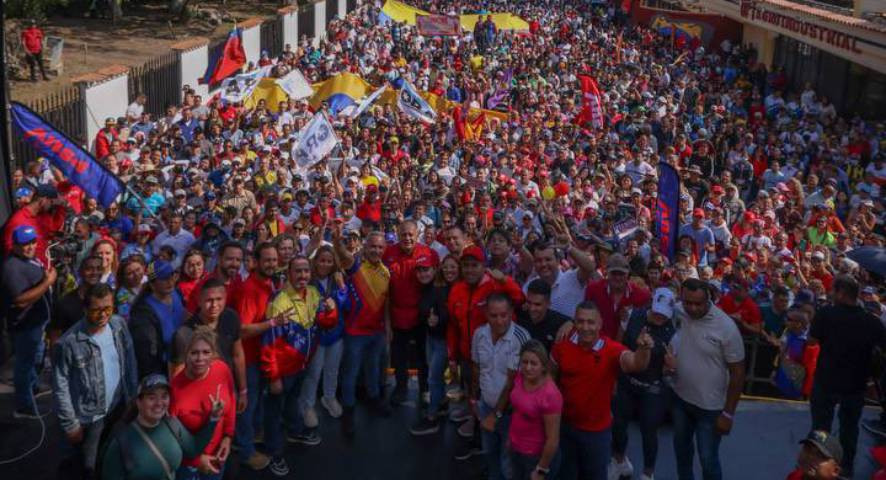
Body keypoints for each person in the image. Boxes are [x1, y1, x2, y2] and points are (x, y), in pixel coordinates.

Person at [552, 301, 654, 480]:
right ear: (574, 322)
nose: (585, 327)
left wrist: (643, 350)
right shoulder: (562, 346)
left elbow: (636, 364)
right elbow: (551, 380)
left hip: (596, 433)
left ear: (600, 324)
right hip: (565, 428)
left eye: (591, 322)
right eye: (580, 321)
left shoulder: (610, 349)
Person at [260, 255, 337, 476]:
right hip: (282, 371)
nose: (303, 275)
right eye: (298, 271)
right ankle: (274, 452)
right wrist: (274, 377)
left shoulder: (313, 293)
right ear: (289, 274)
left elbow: (326, 323)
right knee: (274, 412)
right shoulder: (279, 301)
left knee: (292, 401)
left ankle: (295, 432)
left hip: (302, 365)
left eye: (306, 271)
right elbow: (268, 344)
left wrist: (331, 310)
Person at [52, 283, 138, 480]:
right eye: (96, 310)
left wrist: (132, 397)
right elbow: (60, 385)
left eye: (108, 308)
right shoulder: (69, 342)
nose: (103, 315)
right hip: (89, 418)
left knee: (114, 460)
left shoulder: (118, 326)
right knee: (87, 468)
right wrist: (70, 424)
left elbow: (130, 361)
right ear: (85, 310)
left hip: (117, 408)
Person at [667, 278, 746, 480]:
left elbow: (738, 373)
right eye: (688, 303)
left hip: (710, 409)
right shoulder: (678, 311)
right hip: (680, 400)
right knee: (682, 453)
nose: (692, 308)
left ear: (708, 299)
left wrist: (728, 414)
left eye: (698, 304)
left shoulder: (726, 327)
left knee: (708, 460)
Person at [808, 275, 886, 477]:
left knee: (821, 428)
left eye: (833, 290)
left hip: (826, 381)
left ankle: (816, 468)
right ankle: (844, 469)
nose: (831, 294)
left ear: (841, 293)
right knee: (849, 430)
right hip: (855, 384)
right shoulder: (871, 321)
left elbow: (812, 341)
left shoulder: (826, 314)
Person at [100, 374, 225, 479]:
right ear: (139, 402)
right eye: (152, 398)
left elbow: (194, 449)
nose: (159, 403)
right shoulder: (122, 442)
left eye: (164, 396)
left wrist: (213, 418)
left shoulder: (172, 425)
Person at [611, 288, 678, 480]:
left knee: (649, 430)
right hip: (627, 381)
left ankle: (648, 473)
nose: (659, 317)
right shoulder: (632, 315)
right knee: (618, 424)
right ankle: (619, 462)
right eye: (657, 312)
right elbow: (617, 345)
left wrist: (671, 368)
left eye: (664, 314)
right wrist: (613, 376)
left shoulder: (673, 333)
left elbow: (669, 369)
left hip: (652, 386)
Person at [335, 230, 393, 436]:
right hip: (355, 332)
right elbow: (342, 254)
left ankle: (374, 399)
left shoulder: (386, 272)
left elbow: (386, 303)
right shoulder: (355, 265)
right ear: (365, 247)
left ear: (384, 249)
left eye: (380, 247)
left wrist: (388, 327)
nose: (376, 250)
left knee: (373, 369)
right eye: (372, 246)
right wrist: (336, 238)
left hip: (377, 332)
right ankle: (348, 411)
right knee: (350, 373)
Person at [229, 242, 279, 471]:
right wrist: (272, 323)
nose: (271, 264)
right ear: (256, 262)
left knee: (256, 401)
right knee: (247, 405)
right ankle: (246, 451)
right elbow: (242, 330)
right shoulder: (249, 290)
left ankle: (248, 437)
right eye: (267, 260)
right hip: (247, 359)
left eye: (274, 260)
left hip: (261, 355)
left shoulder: (268, 282)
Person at [470, 293, 530, 480]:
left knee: (508, 462)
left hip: (511, 414)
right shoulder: (479, 334)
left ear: (511, 312)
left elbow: (513, 382)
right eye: (493, 315)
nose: (499, 321)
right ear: (486, 314)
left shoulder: (521, 338)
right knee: (489, 453)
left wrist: (495, 415)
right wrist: (473, 399)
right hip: (485, 406)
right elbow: (476, 367)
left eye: (504, 315)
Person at [1, 225, 56, 418]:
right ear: (15, 245)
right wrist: (48, 282)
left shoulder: (27, 259)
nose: (30, 246)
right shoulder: (11, 268)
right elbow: (21, 300)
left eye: (33, 241)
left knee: (33, 360)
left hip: (37, 323)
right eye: (25, 244)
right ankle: (24, 406)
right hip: (25, 326)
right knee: (24, 366)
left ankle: (33, 388)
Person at [383, 220, 438, 405]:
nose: (407, 238)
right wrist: (387, 322)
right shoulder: (388, 253)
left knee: (423, 356)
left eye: (410, 234)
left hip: (422, 317)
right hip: (397, 316)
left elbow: (438, 282)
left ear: (417, 234)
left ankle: (425, 389)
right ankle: (401, 388)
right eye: (403, 234)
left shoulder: (429, 253)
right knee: (399, 357)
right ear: (398, 235)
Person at [169, 328, 236, 480]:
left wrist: (228, 436)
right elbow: (170, 440)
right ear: (186, 355)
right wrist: (196, 461)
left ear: (213, 354)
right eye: (194, 353)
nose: (200, 358)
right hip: (188, 465)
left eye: (206, 352)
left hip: (217, 456)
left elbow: (231, 403)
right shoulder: (175, 388)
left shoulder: (222, 369)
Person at [170, 278, 247, 410]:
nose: (214, 305)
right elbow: (177, 376)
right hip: (197, 400)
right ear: (199, 301)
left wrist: (243, 390)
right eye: (209, 300)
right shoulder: (184, 334)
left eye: (219, 299)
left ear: (225, 298)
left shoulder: (231, 318)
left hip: (227, 391)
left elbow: (237, 355)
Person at [298, 245, 349, 426]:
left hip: (336, 334)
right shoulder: (308, 280)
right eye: (322, 260)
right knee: (314, 372)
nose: (325, 264)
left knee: (332, 370)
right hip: (316, 335)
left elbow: (347, 305)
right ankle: (307, 405)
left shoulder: (338, 279)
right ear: (315, 261)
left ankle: (329, 397)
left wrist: (342, 288)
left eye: (329, 261)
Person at [409, 252, 452, 435]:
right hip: (432, 338)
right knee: (436, 377)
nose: (422, 274)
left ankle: (432, 418)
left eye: (426, 269)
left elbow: (448, 314)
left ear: (435, 269)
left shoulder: (440, 289)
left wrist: (438, 320)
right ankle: (440, 404)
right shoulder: (426, 288)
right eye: (419, 270)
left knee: (433, 378)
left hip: (442, 340)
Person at [508, 339, 563, 480]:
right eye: (524, 362)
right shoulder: (520, 377)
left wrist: (541, 470)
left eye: (533, 363)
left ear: (543, 366)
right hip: (516, 449)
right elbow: (518, 411)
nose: (528, 367)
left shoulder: (550, 394)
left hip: (535, 457)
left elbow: (553, 439)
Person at [129, 260, 186, 379]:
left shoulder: (176, 294)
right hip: (163, 369)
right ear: (152, 284)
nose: (170, 281)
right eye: (164, 278)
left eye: (171, 275)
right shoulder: (143, 311)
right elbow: (148, 353)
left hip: (184, 360)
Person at [584, 253, 651, 341]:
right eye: (614, 273)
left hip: (625, 345)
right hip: (596, 342)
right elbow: (585, 315)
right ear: (607, 272)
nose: (618, 277)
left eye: (621, 274)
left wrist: (632, 315)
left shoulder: (641, 295)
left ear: (627, 274)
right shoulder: (593, 289)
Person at [49, 255, 104, 344]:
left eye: (98, 268)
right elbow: (55, 337)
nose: (94, 272)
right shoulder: (64, 304)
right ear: (80, 272)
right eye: (89, 269)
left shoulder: (108, 298)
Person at [517, 279, 571, 353]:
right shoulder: (520, 313)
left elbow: (577, 321)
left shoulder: (557, 322)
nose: (532, 308)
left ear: (548, 304)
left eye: (537, 304)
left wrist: (571, 323)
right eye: (529, 302)